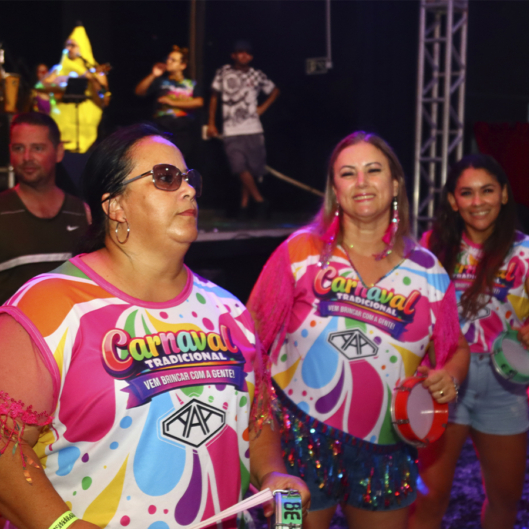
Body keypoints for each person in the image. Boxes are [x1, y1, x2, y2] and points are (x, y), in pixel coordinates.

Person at [0, 124, 309, 529]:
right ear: (115, 206)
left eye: (189, 179)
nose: (189, 190)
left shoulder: (228, 311)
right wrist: (64, 526)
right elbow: (5, 449)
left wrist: (273, 473)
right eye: (166, 178)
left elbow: (255, 418)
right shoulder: (50, 306)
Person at [247, 131, 470, 529]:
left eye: (373, 170)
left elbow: (457, 349)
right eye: (348, 173)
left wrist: (449, 376)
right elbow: (250, 337)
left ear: (395, 183)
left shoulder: (428, 271)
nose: (362, 182)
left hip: (386, 449)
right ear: (335, 189)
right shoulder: (300, 252)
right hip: (296, 446)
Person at [410, 154, 529, 529]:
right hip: (445, 379)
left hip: (503, 383)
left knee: (505, 498)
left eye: (487, 191)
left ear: (504, 194)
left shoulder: (528, 251)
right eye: (467, 193)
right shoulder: (432, 246)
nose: (477, 201)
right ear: (453, 200)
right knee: (430, 497)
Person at [0, 112, 90, 304]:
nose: (27, 157)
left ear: (59, 152)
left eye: (37, 148)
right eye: (18, 148)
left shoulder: (82, 213)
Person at [207, 39, 279, 219]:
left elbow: (275, 90)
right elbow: (214, 97)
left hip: (253, 128)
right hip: (231, 129)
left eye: (248, 53)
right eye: (240, 52)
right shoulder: (223, 72)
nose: (244, 55)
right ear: (233, 55)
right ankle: (260, 200)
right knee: (238, 166)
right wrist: (211, 122)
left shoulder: (257, 74)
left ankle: (244, 206)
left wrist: (263, 107)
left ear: (251, 56)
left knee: (250, 170)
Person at [39, 25, 109, 153]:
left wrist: (92, 80)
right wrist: (59, 82)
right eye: (67, 45)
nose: (68, 48)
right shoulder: (58, 70)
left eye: (72, 45)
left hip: (88, 139)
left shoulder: (95, 71)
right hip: (61, 138)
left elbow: (105, 98)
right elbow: (39, 87)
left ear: (83, 47)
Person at [134, 45, 203, 165]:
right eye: (168, 58)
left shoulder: (191, 83)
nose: (168, 61)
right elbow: (139, 92)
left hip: (182, 130)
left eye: (173, 60)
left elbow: (199, 102)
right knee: (162, 161)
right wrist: (153, 75)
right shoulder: (161, 81)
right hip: (162, 127)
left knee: (178, 162)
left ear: (183, 65)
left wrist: (172, 102)